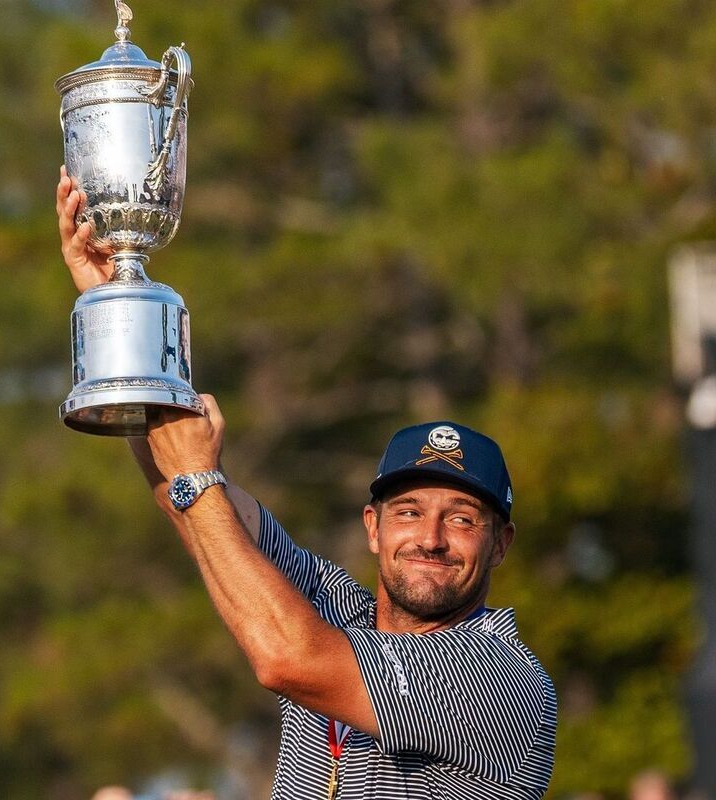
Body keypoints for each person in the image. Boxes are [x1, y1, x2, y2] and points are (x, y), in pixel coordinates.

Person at [57, 169, 557, 799]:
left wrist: (196, 477)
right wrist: (120, 311)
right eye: (407, 511)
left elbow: (284, 657)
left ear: (501, 543)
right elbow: (202, 515)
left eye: (461, 518)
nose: (430, 538)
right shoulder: (339, 612)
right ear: (372, 527)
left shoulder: (506, 682)